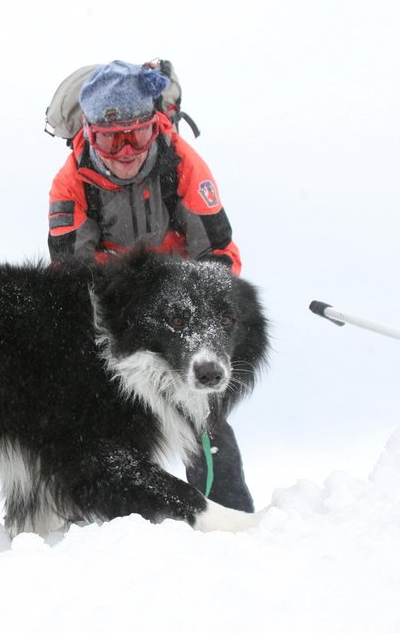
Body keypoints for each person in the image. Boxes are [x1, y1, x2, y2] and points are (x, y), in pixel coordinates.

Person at [46, 60, 254, 512]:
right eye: (109, 139)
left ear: (155, 128)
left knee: (204, 415)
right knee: (102, 411)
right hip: (117, 303)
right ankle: (100, 509)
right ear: (90, 133)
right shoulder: (70, 184)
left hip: (182, 295)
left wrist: (205, 319)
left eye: (137, 137)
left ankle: (230, 514)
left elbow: (218, 256)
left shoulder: (181, 161)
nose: (125, 152)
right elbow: (69, 282)